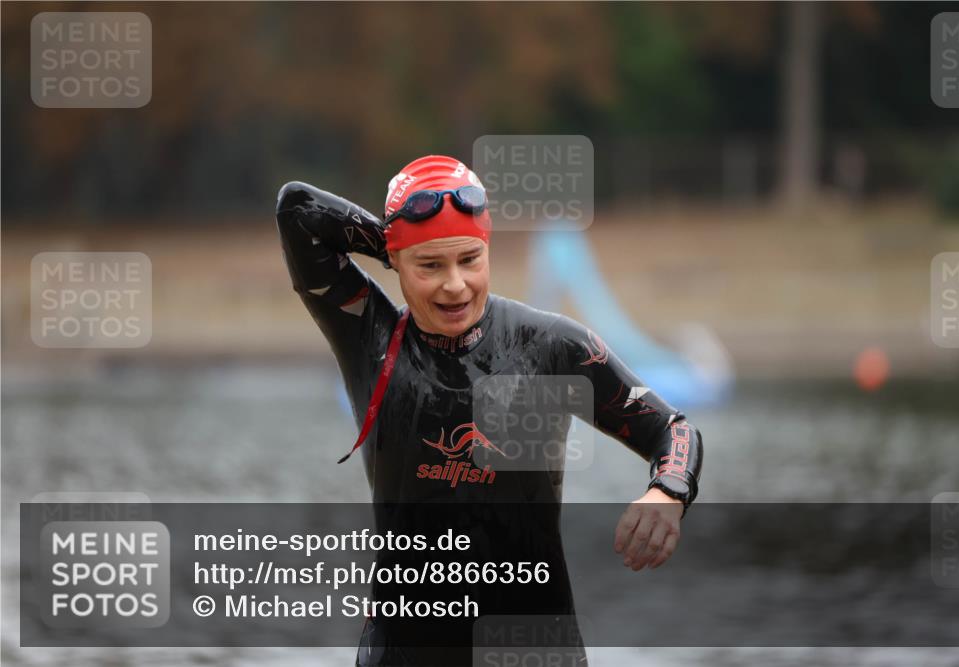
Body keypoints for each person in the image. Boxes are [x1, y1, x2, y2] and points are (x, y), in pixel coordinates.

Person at [275, 155, 703, 666]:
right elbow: (297, 211)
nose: (455, 284)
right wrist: (396, 240)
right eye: (430, 266)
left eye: (469, 259)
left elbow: (673, 430)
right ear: (397, 262)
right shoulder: (372, 339)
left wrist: (667, 491)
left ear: (487, 251)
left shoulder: (551, 347)